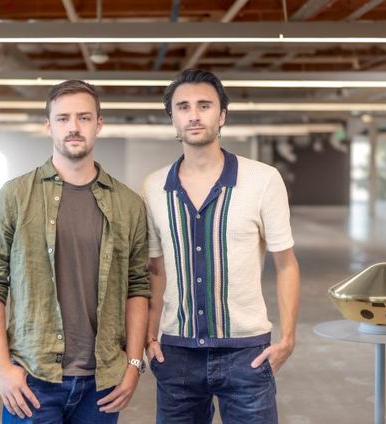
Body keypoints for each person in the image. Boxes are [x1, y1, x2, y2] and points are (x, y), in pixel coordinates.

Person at [0, 80, 150, 424]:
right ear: (49, 125)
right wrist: (0, 368)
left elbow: (138, 286)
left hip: (102, 384)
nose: (73, 127)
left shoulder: (129, 204)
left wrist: (133, 364)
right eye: (63, 118)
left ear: (99, 124)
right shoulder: (14, 196)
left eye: (84, 118)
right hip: (32, 379)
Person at [142, 69, 300, 423]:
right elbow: (156, 270)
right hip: (176, 354)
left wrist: (288, 338)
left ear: (222, 115)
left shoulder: (263, 180)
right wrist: (150, 336)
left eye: (204, 105)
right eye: (183, 107)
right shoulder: (153, 187)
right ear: (173, 118)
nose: (194, 115)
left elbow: (286, 263)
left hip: (246, 353)